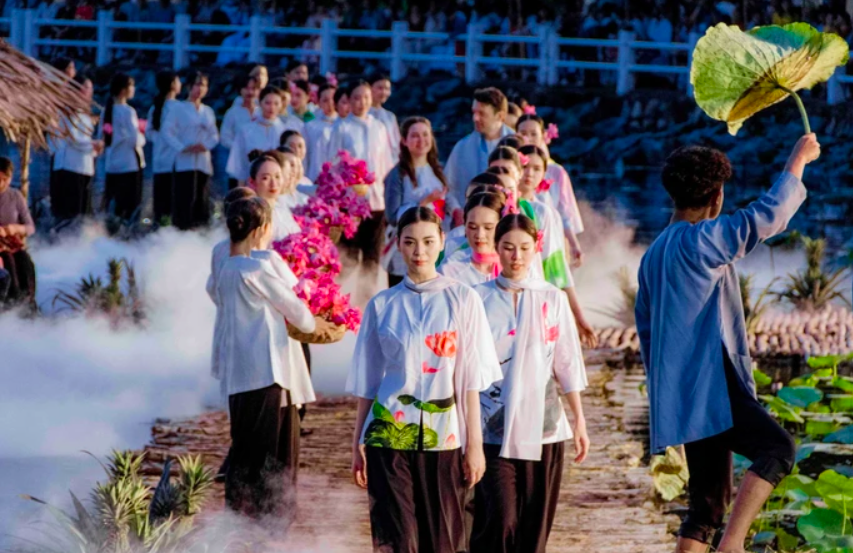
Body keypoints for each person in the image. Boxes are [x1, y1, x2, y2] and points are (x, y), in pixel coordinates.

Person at [635, 135, 820, 553]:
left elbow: (647, 333)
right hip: (712, 384)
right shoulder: (701, 241)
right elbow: (767, 216)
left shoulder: (655, 252)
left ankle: (721, 540)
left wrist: (663, 399)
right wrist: (798, 159)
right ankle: (732, 545)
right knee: (778, 448)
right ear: (717, 197)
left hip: (681, 391)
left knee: (705, 509)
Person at [348, 206, 502, 553]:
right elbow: (368, 381)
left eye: (428, 242)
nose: (419, 252)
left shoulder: (463, 299)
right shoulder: (382, 305)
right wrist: (357, 442)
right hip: (387, 435)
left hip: (444, 437)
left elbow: (470, 380)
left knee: (443, 538)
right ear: (397, 245)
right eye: (410, 242)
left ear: (442, 242)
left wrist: (474, 446)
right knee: (398, 537)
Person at [470, 213, 589, 553]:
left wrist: (579, 420)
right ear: (496, 248)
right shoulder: (476, 299)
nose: (516, 256)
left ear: (536, 248)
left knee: (535, 526)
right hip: (492, 423)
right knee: (500, 518)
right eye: (508, 247)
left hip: (545, 424)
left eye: (524, 247)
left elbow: (566, 362)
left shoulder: (553, 298)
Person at [215, 195, 316, 518]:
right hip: (265, 372)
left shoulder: (226, 268)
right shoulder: (256, 269)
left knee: (243, 450)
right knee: (268, 455)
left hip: (238, 375)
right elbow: (303, 318)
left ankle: (237, 519)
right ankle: (266, 523)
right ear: (262, 230)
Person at [517, 144, 596, 347]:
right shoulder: (499, 205)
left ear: (544, 174)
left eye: (537, 169)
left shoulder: (544, 213)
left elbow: (556, 269)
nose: (529, 173)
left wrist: (578, 316)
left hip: (533, 297)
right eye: (525, 166)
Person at [327, 80, 394, 269]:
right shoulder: (341, 128)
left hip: (377, 200)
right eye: (357, 98)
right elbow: (332, 164)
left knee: (372, 256)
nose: (362, 102)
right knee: (348, 253)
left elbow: (387, 164)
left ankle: (369, 293)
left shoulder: (379, 127)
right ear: (348, 100)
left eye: (366, 97)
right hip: (351, 201)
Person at [382, 116, 451, 287]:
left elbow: (447, 197)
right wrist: (424, 202)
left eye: (425, 134)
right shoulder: (397, 174)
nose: (421, 140)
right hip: (407, 246)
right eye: (415, 136)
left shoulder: (436, 169)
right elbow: (392, 215)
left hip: (435, 240)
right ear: (404, 141)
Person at [516, 113, 584, 267]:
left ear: (543, 136)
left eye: (533, 134)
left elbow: (564, 212)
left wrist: (574, 243)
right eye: (523, 133)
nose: (528, 138)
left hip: (552, 238)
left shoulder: (555, 171)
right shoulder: (510, 169)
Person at [444, 87, 515, 226]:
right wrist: (456, 210)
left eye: (482, 113)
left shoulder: (517, 145)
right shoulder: (462, 147)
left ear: (500, 116)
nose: (475, 118)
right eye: (474, 112)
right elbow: (448, 187)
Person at [162, 71, 219, 230]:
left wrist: (205, 145)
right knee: (185, 199)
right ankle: (182, 231)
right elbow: (167, 131)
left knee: (202, 199)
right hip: (185, 161)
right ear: (189, 87)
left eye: (204, 85)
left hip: (203, 161)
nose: (200, 89)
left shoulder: (207, 111)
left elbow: (214, 135)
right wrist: (182, 147)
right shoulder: (178, 108)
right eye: (197, 84)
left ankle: (201, 232)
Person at [51, 73, 102, 221]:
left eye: (91, 88)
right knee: (70, 212)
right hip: (70, 166)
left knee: (83, 212)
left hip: (84, 165)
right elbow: (72, 138)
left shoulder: (84, 112)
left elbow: (83, 139)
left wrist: (94, 148)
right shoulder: (68, 111)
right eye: (86, 87)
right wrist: (93, 144)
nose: (90, 91)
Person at [99, 73, 145, 221]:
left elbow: (105, 135)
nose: (134, 89)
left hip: (112, 164)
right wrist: (142, 134)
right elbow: (134, 139)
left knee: (114, 205)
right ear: (124, 90)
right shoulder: (128, 111)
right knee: (131, 206)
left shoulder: (106, 111)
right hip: (129, 165)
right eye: (131, 85)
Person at [438, 192, 504, 286]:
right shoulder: (450, 272)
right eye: (473, 227)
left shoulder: (515, 267)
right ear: (465, 226)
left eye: (488, 228)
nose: (479, 235)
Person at [226, 86, 287, 185]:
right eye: (267, 103)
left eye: (276, 103)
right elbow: (239, 162)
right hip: (252, 182)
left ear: (281, 105)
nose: (272, 107)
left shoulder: (285, 131)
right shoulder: (246, 130)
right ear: (260, 103)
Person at [0, 157, 36, 308]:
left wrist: (15, 229)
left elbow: (30, 227)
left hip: (13, 244)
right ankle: (10, 307)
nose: (1, 183)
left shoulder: (15, 196)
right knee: (9, 266)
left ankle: (28, 305)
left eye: (4, 179)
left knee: (25, 263)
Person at [146, 71, 181, 223]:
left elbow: (149, 133)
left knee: (160, 201)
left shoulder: (155, 107)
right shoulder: (179, 107)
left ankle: (159, 227)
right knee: (173, 201)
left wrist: (160, 141)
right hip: (176, 162)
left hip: (159, 161)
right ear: (173, 85)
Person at [246, 150, 300, 242]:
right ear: (252, 182)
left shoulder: (283, 207)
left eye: (277, 176)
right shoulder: (252, 213)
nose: (273, 183)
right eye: (265, 178)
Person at [221, 75, 259, 190]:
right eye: (246, 88)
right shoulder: (233, 112)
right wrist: (239, 148)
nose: (250, 92)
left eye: (253, 88)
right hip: (238, 161)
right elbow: (224, 137)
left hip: (258, 163)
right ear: (240, 90)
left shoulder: (261, 112)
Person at [304, 83, 338, 182]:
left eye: (333, 98)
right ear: (318, 102)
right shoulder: (310, 126)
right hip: (315, 175)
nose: (330, 103)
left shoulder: (344, 125)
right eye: (325, 100)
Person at [369, 74, 400, 161]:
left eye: (387, 89)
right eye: (380, 88)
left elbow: (396, 144)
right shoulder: (362, 115)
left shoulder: (390, 117)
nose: (384, 92)